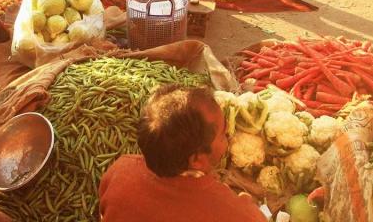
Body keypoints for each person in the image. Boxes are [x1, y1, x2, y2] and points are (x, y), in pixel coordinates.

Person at [99, 84, 266, 222]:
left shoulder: (119, 170)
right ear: (197, 160)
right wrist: (244, 203)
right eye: (223, 134)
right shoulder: (236, 214)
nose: (229, 135)